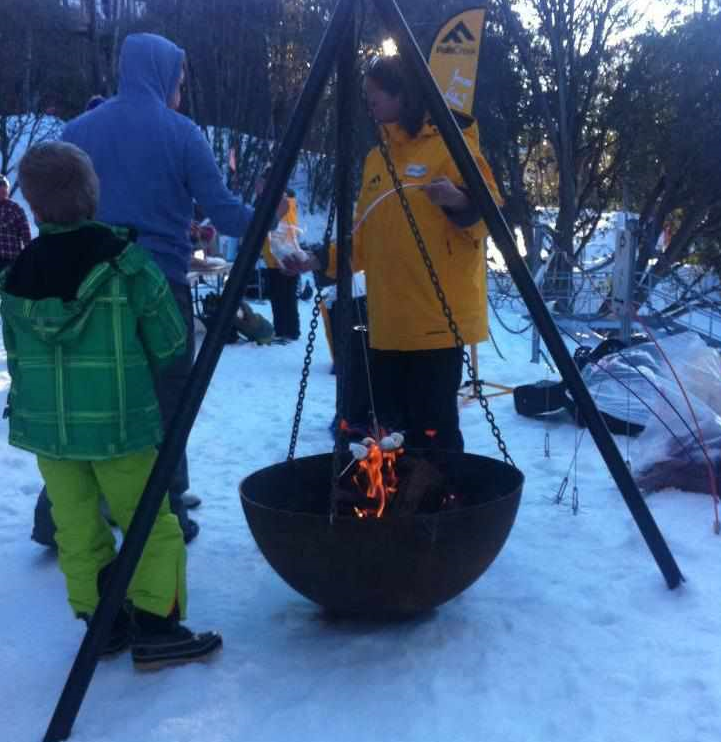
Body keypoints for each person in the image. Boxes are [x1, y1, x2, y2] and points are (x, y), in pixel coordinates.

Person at [0, 141, 222, 668]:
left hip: (51, 433)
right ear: (91, 193)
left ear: (32, 202)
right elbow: (171, 342)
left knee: (76, 525)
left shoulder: (15, 280)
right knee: (148, 518)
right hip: (121, 424)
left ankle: (103, 622)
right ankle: (155, 623)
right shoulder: (126, 264)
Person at [59, 32, 286, 542]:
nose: (180, 89)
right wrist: (266, 217)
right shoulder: (181, 133)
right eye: (179, 79)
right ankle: (165, 511)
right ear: (162, 76)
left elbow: (64, 209)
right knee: (167, 401)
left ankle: (60, 519)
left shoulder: (77, 130)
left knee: (92, 399)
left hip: (90, 291)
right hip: (157, 290)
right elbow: (225, 210)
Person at [293, 54, 502, 451]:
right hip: (387, 323)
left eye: (375, 94)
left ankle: (441, 503)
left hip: (436, 324)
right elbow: (364, 237)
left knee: (432, 431)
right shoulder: (378, 159)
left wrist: (458, 200)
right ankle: (396, 506)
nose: (367, 101)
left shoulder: (451, 147)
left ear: (402, 94)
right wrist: (319, 260)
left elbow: (490, 218)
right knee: (389, 437)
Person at [258, 171, 302, 342]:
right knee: (277, 296)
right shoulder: (274, 201)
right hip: (274, 259)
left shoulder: (283, 203)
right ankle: (282, 329)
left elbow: (283, 230)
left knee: (286, 296)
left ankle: (290, 331)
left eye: (262, 183)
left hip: (284, 258)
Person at [0, 174, 32, 272]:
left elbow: (25, 233)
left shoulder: (14, 208)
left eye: (3, 187)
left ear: (7, 190)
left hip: (10, 258)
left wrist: (29, 256)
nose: (1, 190)